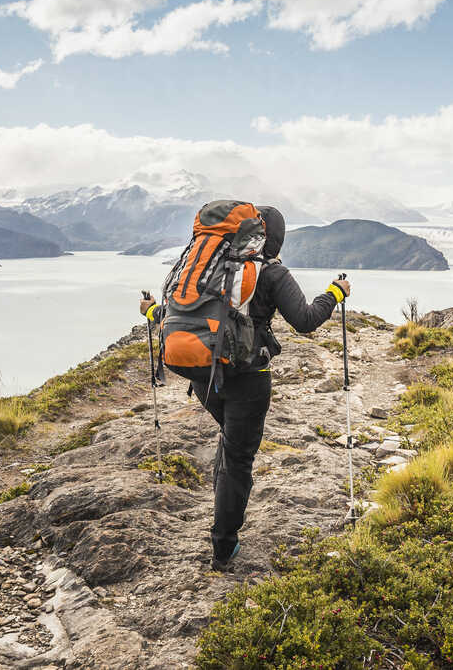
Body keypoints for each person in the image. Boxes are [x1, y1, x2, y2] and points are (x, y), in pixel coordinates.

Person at [139, 205, 352, 571]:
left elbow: (181, 314)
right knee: (238, 458)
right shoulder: (270, 272)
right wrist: (335, 292)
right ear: (276, 239)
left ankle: (224, 505)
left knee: (231, 442)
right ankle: (224, 547)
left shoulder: (204, 268)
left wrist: (150, 312)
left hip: (203, 374)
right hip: (248, 378)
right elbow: (305, 320)